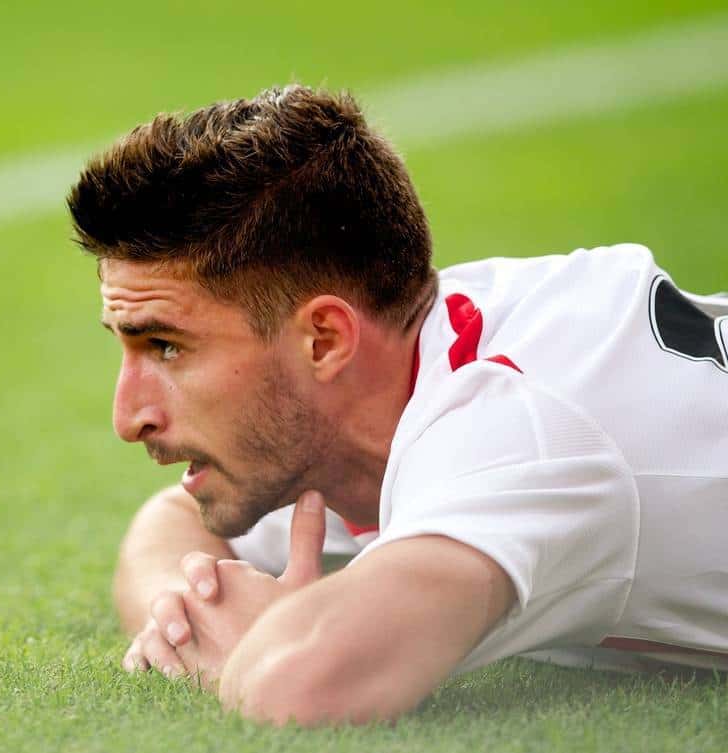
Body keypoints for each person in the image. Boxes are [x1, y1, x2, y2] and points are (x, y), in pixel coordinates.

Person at [65, 84, 728, 727]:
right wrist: (186, 613)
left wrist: (269, 638)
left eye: (167, 346)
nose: (130, 417)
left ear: (323, 339)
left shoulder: (512, 429)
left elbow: (302, 684)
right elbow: (168, 523)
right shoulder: (383, 385)